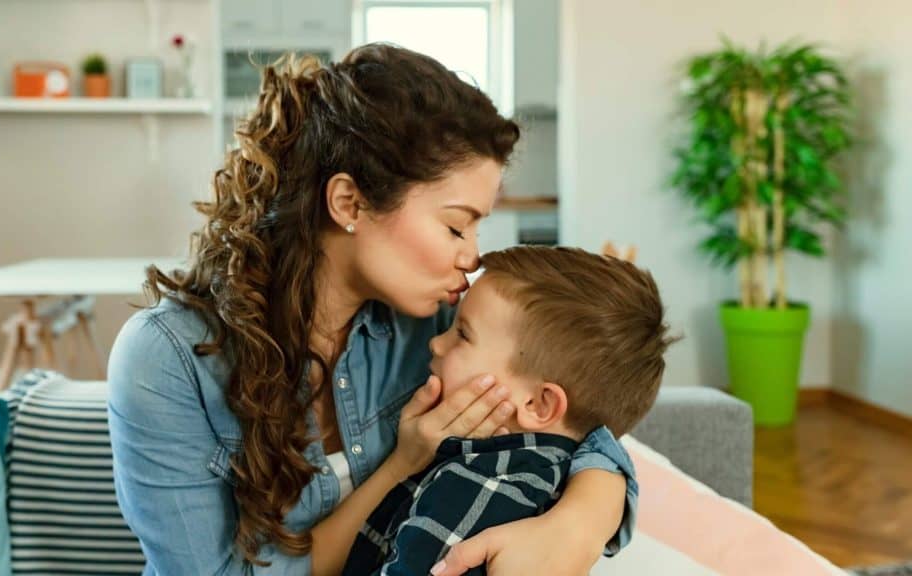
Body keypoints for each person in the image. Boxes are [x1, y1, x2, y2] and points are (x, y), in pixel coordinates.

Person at [107, 43, 631, 576]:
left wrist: (579, 522)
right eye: (455, 225)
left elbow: (581, 420)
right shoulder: (169, 359)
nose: (471, 255)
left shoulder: (438, 327)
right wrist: (401, 465)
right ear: (349, 203)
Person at [343, 245, 674, 575]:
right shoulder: (558, 470)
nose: (436, 343)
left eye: (462, 334)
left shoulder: (475, 483)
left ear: (537, 404)